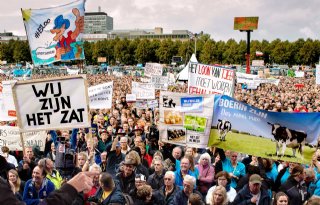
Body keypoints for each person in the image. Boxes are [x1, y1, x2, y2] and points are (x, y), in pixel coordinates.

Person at [0, 171, 97, 205]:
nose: (34, 175)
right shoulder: (28, 183)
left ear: (43, 176)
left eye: (37, 173)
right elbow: (26, 200)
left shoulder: (50, 185)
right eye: (33, 172)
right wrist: (71, 188)